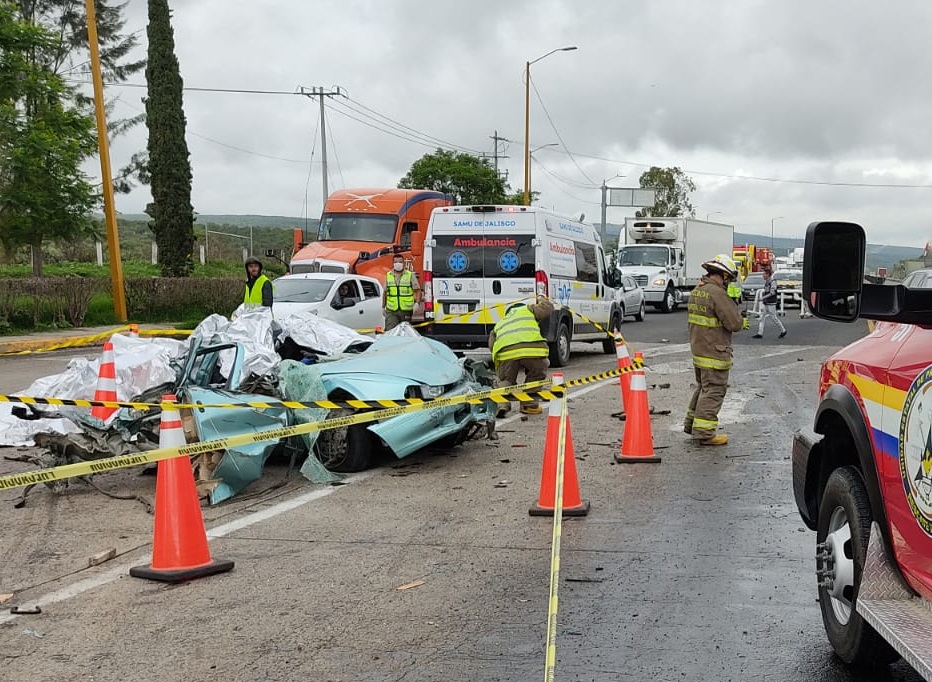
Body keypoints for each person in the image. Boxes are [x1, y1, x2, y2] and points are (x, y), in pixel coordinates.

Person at [684, 254, 744, 445]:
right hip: (714, 351)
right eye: (728, 279)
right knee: (714, 390)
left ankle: (691, 424)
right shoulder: (717, 293)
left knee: (703, 388)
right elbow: (734, 323)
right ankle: (704, 432)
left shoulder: (698, 290)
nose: (728, 283)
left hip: (699, 349)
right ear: (724, 276)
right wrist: (741, 318)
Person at [488, 297, 554, 417]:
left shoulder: (501, 322)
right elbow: (547, 309)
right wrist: (542, 299)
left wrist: (500, 362)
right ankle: (529, 405)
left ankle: (502, 405)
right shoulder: (528, 309)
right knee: (536, 374)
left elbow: (492, 344)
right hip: (532, 349)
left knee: (506, 380)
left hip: (506, 352)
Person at [383, 254, 420, 330]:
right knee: (391, 331)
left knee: (405, 332)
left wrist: (417, 303)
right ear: (393, 263)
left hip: (406, 310)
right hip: (391, 310)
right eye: (396, 262)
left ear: (403, 263)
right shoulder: (388, 275)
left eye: (400, 262)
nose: (398, 264)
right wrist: (383, 306)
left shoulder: (410, 275)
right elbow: (385, 292)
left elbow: (417, 290)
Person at [752, 266, 787, 339]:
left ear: (768, 274)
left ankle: (783, 330)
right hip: (766, 302)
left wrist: (762, 298)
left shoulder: (772, 282)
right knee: (762, 317)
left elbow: (772, 293)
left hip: (771, 302)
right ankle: (760, 333)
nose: (763, 276)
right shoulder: (767, 282)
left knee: (774, 318)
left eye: (764, 274)